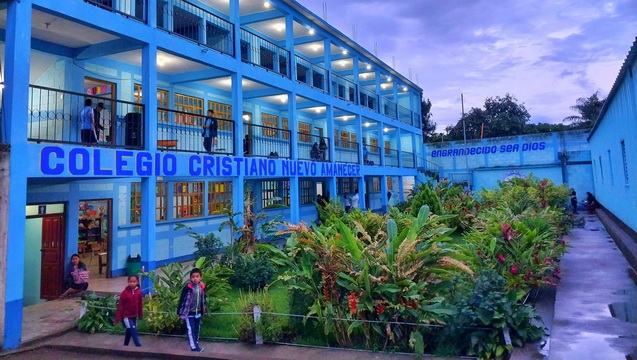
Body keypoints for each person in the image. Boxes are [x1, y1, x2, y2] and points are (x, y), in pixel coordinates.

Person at [177, 268, 207, 352]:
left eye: (197, 276)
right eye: (193, 277)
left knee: (197, 329)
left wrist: (204, 310)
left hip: (198, 313)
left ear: (201, 277)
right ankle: (194, 347)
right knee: (191, 330)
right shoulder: (188, 287)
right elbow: (182, 299)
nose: (195, 279)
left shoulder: (202, 287)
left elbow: (204, 299)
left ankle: (196, 343)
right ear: (190, 278)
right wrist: (179, 311)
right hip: (189, 313)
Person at [114, 275, 144, 347]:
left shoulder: (139, 292)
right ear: (128, 282)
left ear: (137, 282)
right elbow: (120, 306)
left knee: (129, 330)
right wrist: (117, 318)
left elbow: (140, 304)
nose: (132, 283)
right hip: (126, 316)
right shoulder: (124, 293)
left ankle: (125, 345)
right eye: (130, 281)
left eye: (134, 281)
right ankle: (138, 345)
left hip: (134, 315)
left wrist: (140, 314)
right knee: (133, 330)